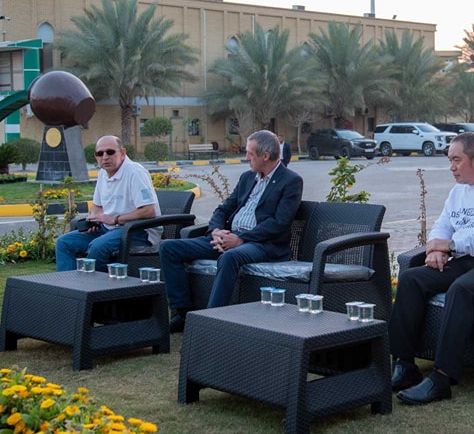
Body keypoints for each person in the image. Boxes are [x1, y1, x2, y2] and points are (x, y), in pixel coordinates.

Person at [389, 133, 474, 405]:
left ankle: (442, 378)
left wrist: (450, 245)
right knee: (412, 278)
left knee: (460, 289)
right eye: (450, 160)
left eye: (456, 160)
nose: (451, 167)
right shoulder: (457, 192)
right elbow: (442, 225)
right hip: (464, 261)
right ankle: (404, 364)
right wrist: (435, 249)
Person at [160, 130, 303, 332]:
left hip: (262, 244)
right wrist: (216, 231)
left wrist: (240, 239)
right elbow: (223, 209)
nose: (246, 158)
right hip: (229, 238)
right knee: (169, 248)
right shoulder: (247, 177)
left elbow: (280, 223)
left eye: (250, 154)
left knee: (229, 257)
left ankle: (209, 323)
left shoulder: (290, 181)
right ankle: (181, 313)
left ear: (265, 156)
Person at [55, 135, 162, 272]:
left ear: (122, 153)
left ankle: (95, 284)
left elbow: (149, 211)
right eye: (100, 153)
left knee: (98, 247)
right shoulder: (103, 174)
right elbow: (97, 206)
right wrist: (94, 220)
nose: (105, 157)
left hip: (137, 231)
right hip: (108, 229)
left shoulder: (135, 172)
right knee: (64, 243)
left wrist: (115, 219)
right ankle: (68, 283)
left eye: (110, 152)